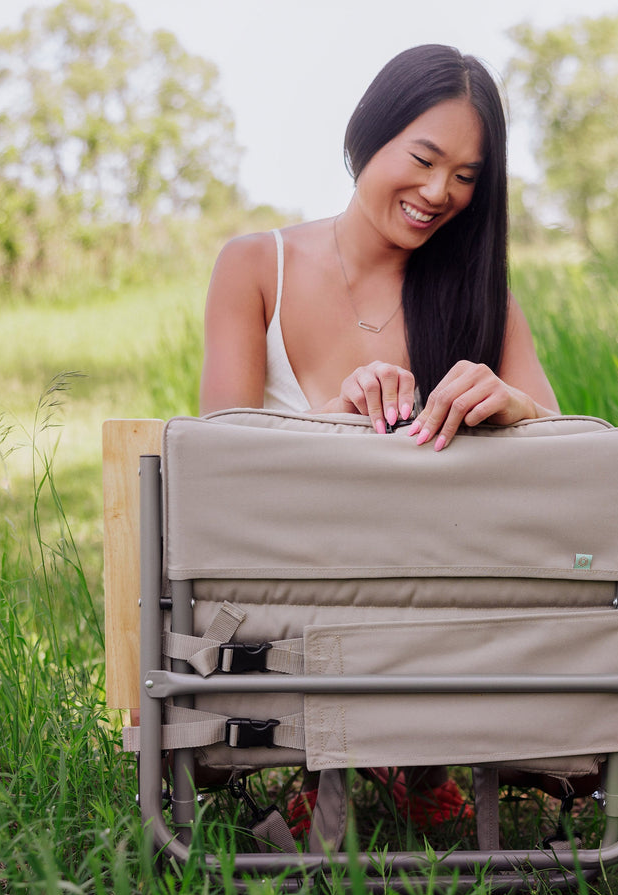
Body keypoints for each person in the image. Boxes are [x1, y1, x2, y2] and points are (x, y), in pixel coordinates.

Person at [198, 44, 559, 834]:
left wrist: (513, 410)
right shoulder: (257, 265)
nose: (439, 193)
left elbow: (568, 468)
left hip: (438, 590)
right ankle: (366, 757)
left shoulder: (481, 298)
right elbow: (212, 465)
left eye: (467, 177)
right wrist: (335, 419)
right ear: (368, 137)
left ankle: (397, 758)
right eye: (424, 159)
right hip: (289, 585)